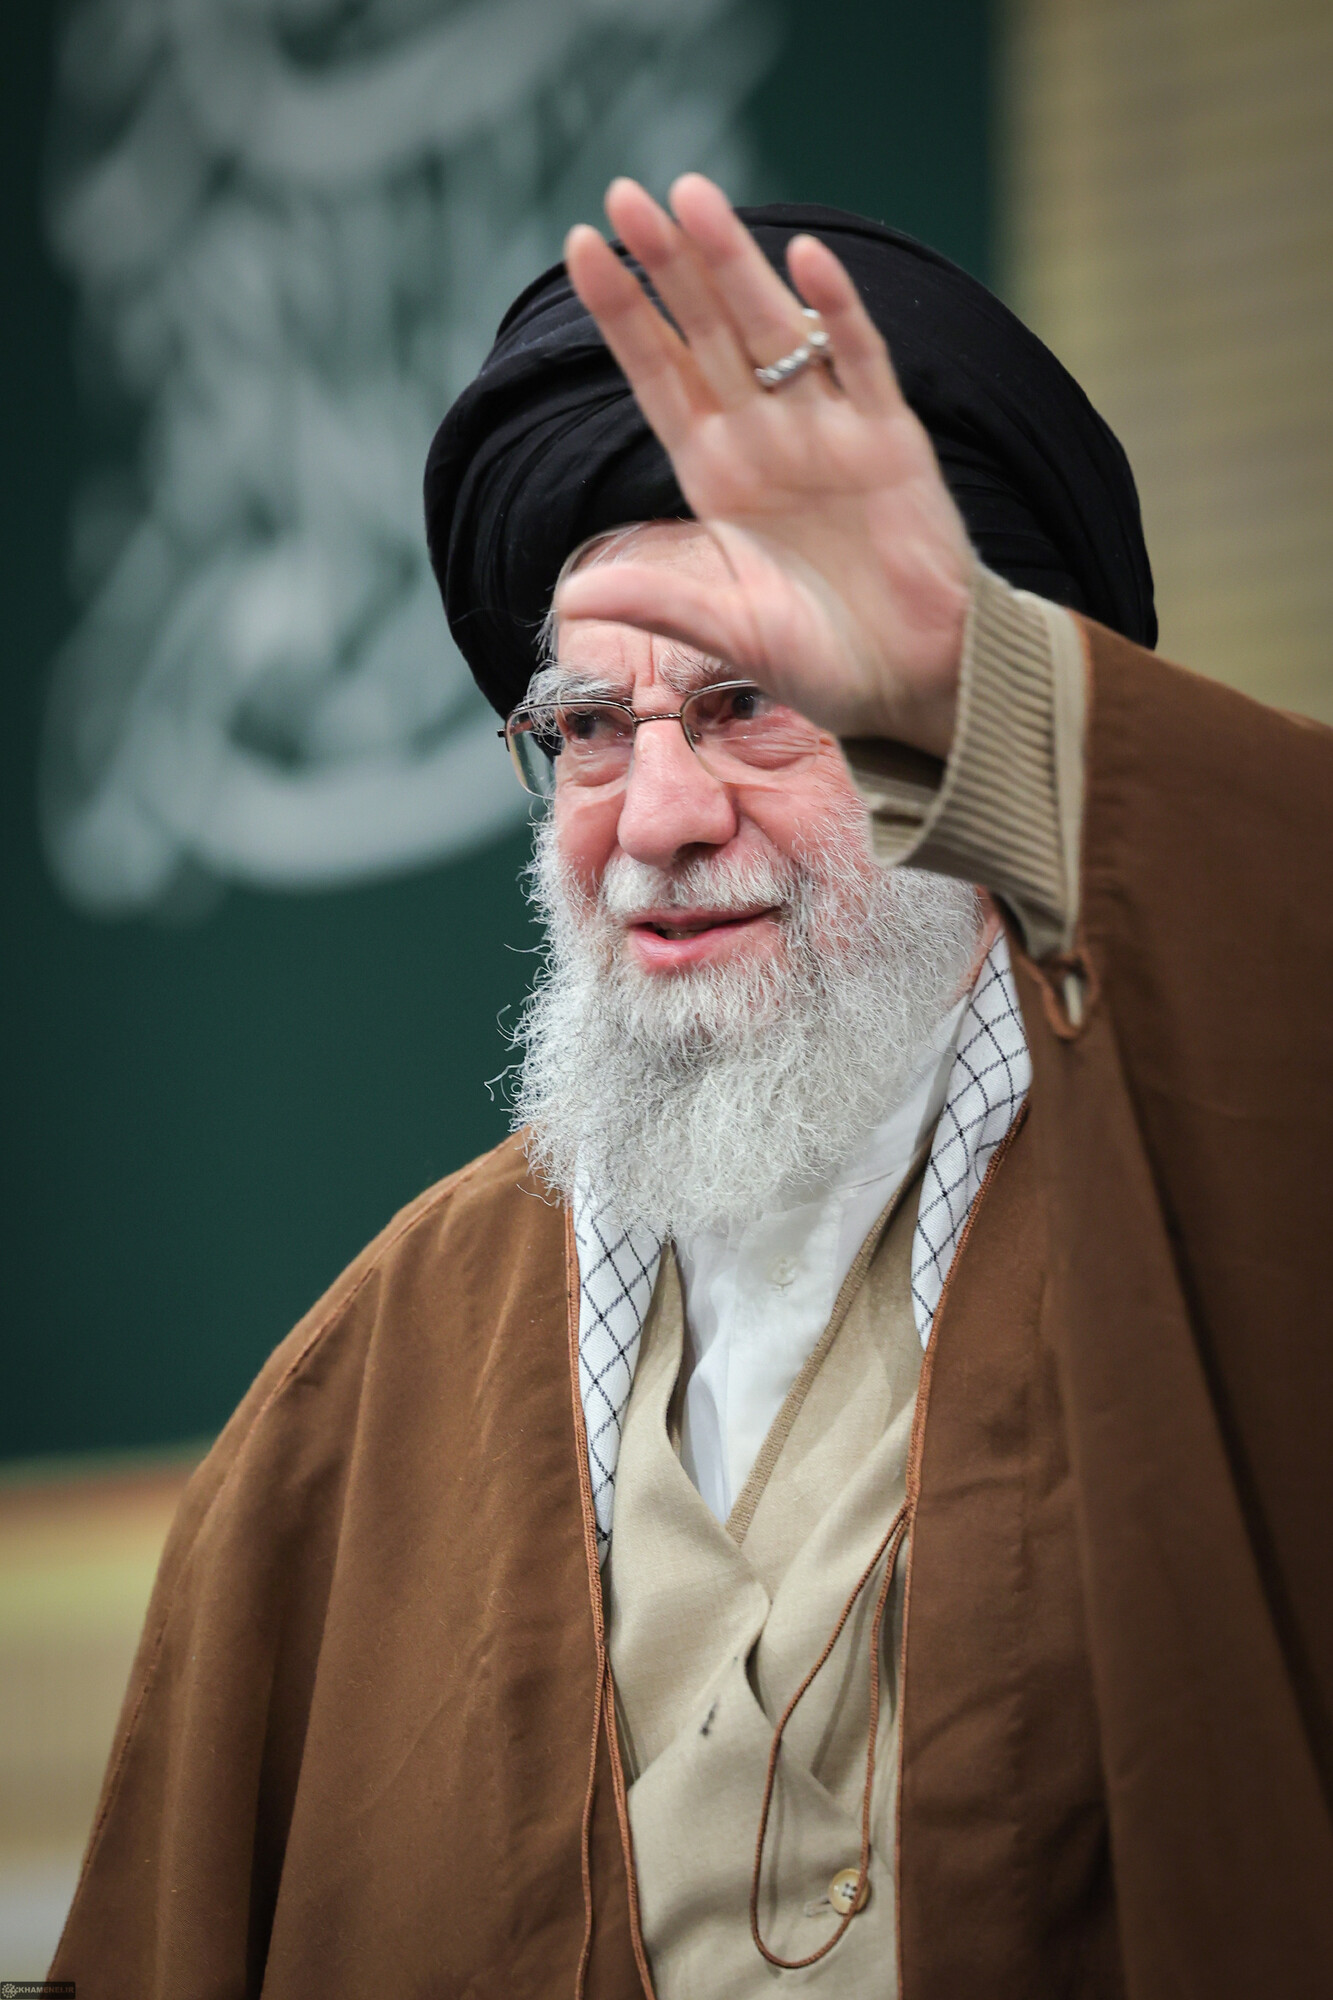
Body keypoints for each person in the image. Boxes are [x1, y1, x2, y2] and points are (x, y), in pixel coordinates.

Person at [53, 177, 1333, 2000]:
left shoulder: (1230, 1192)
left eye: (754, 703)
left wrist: (997, 698)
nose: (656, 816)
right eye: (589, 728)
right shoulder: (378, 1369)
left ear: (947, 744)